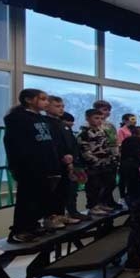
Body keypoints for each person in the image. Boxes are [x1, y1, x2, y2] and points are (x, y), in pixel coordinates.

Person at [3, 89, 61, 242]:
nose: (46, 102)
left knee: (41, 199)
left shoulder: (41, 118)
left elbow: (48, 143)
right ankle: (19, 230)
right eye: (42, 99)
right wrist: (21, 165)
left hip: (45, 165)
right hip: (28, 166)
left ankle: (33, 225)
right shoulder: (17, 118)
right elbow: (16, 145)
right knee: (27, 199)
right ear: (29, 100)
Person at [45, 95, 79, 227]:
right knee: (53, 192)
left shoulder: (62, 124)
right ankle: (51, 217)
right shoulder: (45, 123)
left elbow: (71, 143)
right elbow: (52, 144)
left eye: (62, 106)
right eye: (57, 106)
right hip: (55, 163)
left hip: (68, 162)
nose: (61, 109)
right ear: (47, 107)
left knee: (64, 190)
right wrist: (62, 156)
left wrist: (71, 157)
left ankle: (60, 214)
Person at [78, 108, 118, 216]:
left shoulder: (103, 132)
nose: (99, 120)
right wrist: (94, 161)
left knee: (107, 184)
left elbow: (108, 146)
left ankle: (101, 203)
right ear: (88, 118)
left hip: (106, 163)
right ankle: (92, 206)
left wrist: (112, 158)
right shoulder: (84, 134)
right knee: (93, 186)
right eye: (96, 118)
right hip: (93, 165)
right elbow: (85, 150)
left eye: (101, 118)